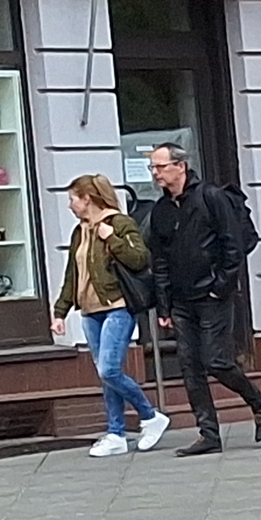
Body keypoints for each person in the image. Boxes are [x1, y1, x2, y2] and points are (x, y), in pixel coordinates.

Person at [144, 143, 261, 456]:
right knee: (190, 365)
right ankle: (208, 433)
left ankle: (259, 402)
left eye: (160, 167)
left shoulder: (211, 197)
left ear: (181, 166)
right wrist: (164, 306)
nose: (156, 174)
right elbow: (160, 260)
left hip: (213, 295)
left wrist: (221, 286)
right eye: (153, 168)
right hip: (181, 301)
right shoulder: (160, 211)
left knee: (215, 360)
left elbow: (234, 245)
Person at [50, 174, 172, 457]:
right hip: (90, 312)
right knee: (106, 375)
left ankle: (151, 416)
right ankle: (115, 433)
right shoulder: (80, 231)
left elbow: (139, 258)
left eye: (73, 199)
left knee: (109, 369)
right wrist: (60, 311)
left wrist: (112, 239)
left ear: (87, 199)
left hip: (117, 306)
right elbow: (73, 274)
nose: (70, 206)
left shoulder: (119, 223)